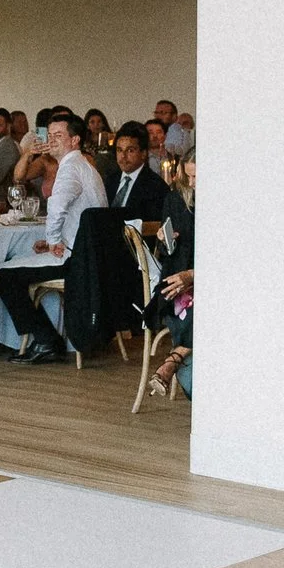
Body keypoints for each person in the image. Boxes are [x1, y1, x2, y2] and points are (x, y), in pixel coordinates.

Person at [0, 115, 107, 364]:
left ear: (75, 140)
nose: (52, 140)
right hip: (85, 252)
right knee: (14, 264)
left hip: (74, 258)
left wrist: (54, 239)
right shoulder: (83, 166)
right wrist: (51, 241)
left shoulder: (71, 167)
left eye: (59, 135)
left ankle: (47, 341)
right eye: (50, 135)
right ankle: (47, 339)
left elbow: (57, 205)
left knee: (3, 273)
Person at [148, 148, 196, 397]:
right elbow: (167, 253)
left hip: (205, 281)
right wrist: (164, 241)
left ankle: (172, 360)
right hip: (178, 281)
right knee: (189, 302)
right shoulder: (176, 198)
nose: (191, 183)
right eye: (188, 176)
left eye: (197, 177)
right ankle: (176, 360)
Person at [106, 122, 168, 225]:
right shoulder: (110, 180)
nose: (123, 156)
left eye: (130, 150)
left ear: (143, 154)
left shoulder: (156, 186)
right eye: (119, 150)